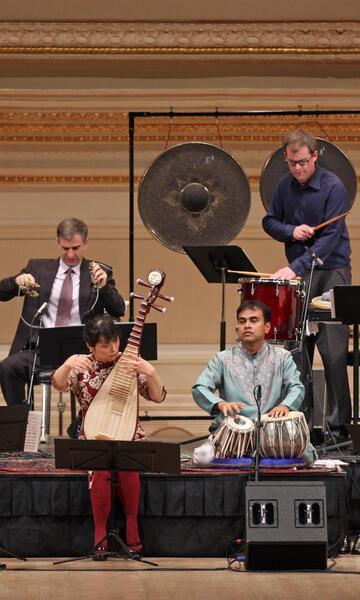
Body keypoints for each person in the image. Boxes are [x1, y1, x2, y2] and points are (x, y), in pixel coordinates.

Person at [262, 129, 352, 441]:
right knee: (298, 352)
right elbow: (269, 221)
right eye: (292, 163)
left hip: (331, 272)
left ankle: (338, 430)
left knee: (333, 352)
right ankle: (300, 426)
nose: (297, 169)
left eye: (302, 162)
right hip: (300, 275)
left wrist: (295, 267)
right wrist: (291, 231)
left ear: (314, 156)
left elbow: (330, 239)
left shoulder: (333, 186)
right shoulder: (284, 185)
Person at [52, 314, 166, 559]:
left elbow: (157, 396)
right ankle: (100, 533)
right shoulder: (82, 366)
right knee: (100, 466)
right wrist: (67, 364)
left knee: (128, 464)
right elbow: (58, 384)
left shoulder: (130, 363)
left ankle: (132, 527)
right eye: (105, 345)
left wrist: (151, 372)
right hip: (94, 437)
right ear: (90, 346)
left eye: (115, 341)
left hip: (128, 435)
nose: (113, 348)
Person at [0, 217, 125, 406]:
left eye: (76, 248)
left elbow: (118, 309)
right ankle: (23, 419)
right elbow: (0, 293)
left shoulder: (99, 271)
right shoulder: (37, 269)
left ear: (86, 243)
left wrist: (104, 287)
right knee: (8, 368)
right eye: (65, 248)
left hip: (83, 351)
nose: (70, 254)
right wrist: (16, 281)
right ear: (58, 242)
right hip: (41, 350)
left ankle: (83, 422)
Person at [192, 301, 305, 430]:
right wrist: (220, 404)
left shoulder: (282, 357)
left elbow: (296, 387)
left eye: (253, 320)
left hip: (271, 429)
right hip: (233, 428)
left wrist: (285, 406)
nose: (247, 326)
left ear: (267, 327)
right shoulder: (222, 359)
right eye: (242, 321)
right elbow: (200, 388)